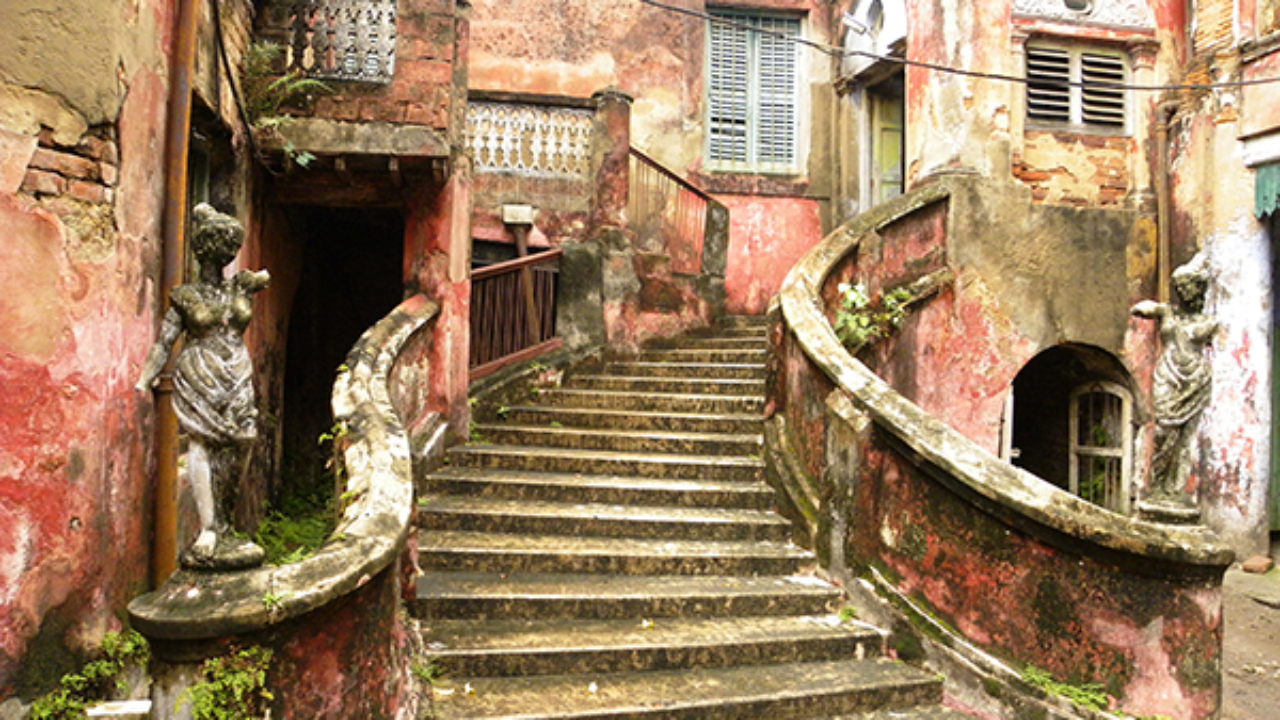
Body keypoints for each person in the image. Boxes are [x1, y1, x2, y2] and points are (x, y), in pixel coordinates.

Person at [137, 204, 270, 570]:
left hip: (236, 368)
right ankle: (210, 529)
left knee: (241, 439)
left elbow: (266, 277)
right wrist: (144, 378)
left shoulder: (238, 286)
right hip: (199, 369)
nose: (226, 254)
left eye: (231, 246)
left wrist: (252, 281)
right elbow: (165, 341)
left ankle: (226, 522)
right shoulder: (185, 295)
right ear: (204, 248)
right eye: (221, 245)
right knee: (202, 441)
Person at [1131, 254, 1218, 503]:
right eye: (1180, 287)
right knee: (1163, 432)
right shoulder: (1167, 311)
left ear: (1199, 288)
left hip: (1196, 379)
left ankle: (1176, 490)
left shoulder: (1209, 322)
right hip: (1168, 375)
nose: (1184, 291)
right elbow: (1142, 308)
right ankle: (1158, 486)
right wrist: (1144, 307)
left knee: (1186, 437)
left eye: (1189, 286)